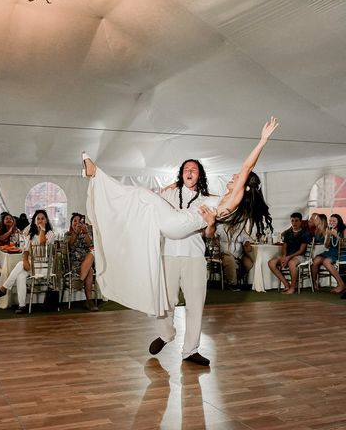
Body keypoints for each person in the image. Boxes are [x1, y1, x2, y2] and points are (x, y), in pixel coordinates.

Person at [82, 117, 278, 321]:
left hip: (180, 224)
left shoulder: (234, 198)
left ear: (245, 187)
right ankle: (106, 196)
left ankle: (96, 174)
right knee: (143, 200)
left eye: (238, 178)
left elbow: (246, 167)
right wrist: (170, 189)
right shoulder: (220, 198)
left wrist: (262, 140)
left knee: (142, 194)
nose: (234, 177)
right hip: (178, 223)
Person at [145, 159, 220, 366]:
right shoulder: (168, 194)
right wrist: (166, 188)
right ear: (181, 174)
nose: (190, 172)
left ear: (199, 175)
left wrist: (212, 224)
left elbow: (209, 235)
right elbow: (149, 204)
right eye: (186, 169)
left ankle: (190, 350)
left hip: (194, 255)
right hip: (168, 254)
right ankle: (166, 335)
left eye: (194, 170)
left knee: (195, 305)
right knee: (165, 301)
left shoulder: (207, 200)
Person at [0, 210, 56, 314]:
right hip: (31, 265)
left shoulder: (50, 233)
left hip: (44, 267)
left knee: (19, 266)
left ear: (46, 220)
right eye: (38, 219)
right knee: (20, 274)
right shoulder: (31, 234)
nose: (40, 221)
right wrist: (25, 260)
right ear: (34, 221)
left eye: (42, 218)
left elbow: (43, 243)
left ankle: (3, 288)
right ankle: (22, 305)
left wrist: (42, 229)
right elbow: (25, 250)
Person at [268, 212, 312, 294]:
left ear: (300, 221)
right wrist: (284, 256)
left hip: (299, 256)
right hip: (288, 255)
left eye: (296, 221)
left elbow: (301, 250)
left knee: (292, 263)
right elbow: (284, 247)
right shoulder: (288, 233)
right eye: (292, 221)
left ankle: (292, 288)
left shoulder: (305, 233)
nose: (294, 223)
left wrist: (288, 258)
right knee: (271, 263)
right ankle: (286, 284)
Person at [65, 213, 98, 311]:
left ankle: (80, 280)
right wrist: (76, 232)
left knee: (91, 254)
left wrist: (86, 232)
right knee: (90, 271)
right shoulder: (67, 234)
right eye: (74, 221)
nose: (77, 223)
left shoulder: (85, 233)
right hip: (74, 263)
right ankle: (89, 302)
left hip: (86, 261)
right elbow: (69, 245)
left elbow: (90, 244)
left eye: (79, 221)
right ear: (71, 223)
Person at [311, 214, 346, 294]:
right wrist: (328, 236)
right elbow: (327, 246)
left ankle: (341, 284)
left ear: (339, 221)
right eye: (330, 221)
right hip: (331, 251)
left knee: (326, 261)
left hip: (340, 252)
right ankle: (314, 283)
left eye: (334, 221)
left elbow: (344, 244)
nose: (331, 222)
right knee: (316, 260)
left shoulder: (344, 230)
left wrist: (336, 235)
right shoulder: (329, 229)